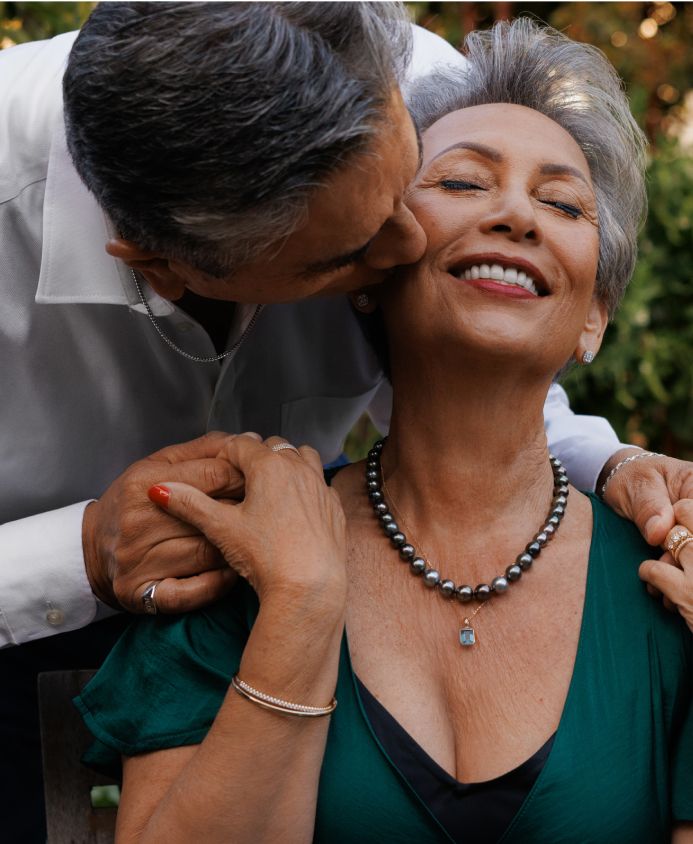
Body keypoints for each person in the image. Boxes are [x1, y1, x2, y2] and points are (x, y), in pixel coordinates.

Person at [1, 2, 692, 840]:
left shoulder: (414, 83)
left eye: (405, 184)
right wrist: (77, 557)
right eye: (356, 248)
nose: (406, 241)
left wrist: (615, 468)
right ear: (162, 265)